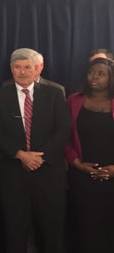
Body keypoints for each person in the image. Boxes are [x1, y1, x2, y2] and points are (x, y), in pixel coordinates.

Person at [0, 48, 69, 253]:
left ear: (37, 70)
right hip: (14, 174)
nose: (22, 72)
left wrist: (40, 157)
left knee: (52, 231)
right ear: (11, 69)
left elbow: (63, 130)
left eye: (27, 67)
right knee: (15, 231)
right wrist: (20, 154)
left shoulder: (54, 94)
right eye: (17, 67)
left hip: (48, 173)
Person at [65, 57, 114, 252]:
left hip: (112, 176)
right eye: (91, 73)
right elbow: (65, 138)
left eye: (101, 74)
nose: (94, 77)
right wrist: (77, 164)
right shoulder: (73, 100)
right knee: (86, 228)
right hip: (82, 176)